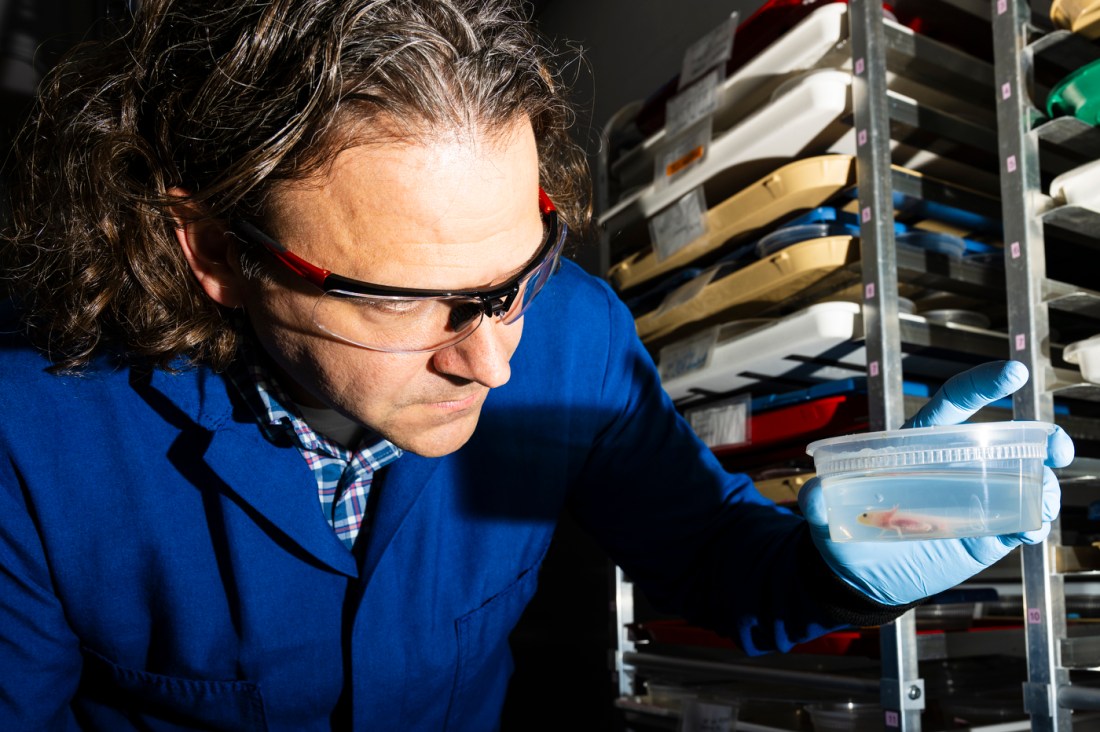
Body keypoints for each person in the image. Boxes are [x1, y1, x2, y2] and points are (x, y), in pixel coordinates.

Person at [0, 0, 1073, 729]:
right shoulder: (34, 436)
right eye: (406, 298)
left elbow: (707, 558)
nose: (494, 362)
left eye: (514, 276)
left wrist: (843, 560)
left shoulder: (573, 335)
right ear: (219, 254)